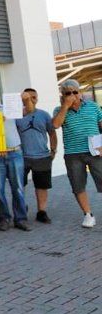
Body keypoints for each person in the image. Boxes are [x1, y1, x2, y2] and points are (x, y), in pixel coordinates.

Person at [52, 79, 102, 228]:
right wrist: (65, 106)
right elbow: (55, 125)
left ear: (80, 92)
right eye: (68, 93)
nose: (73, 95)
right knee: (78, 185)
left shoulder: (93, 106)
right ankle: (88, 215)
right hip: (73, 154)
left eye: (75, 91)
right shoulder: (59, 110)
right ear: (63, 95)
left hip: (95, 152)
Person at [0, 86, 30, 232]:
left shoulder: (9, 108)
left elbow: (27, 111)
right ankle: (4, 218)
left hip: (14, 151)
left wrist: (26, 99)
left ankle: (20, 219)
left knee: (18, 187)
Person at [16, 89, 57, 224]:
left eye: (34, 97)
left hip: (42, 156)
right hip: (21, 156)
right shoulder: (17, 115)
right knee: (20, 184)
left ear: (37, 98)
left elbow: (52, 133)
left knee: (41, 185)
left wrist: (53, 150)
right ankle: (22, 207)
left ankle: (41, 211)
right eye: (28, 97)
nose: (31, 99)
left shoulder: (44, 115)